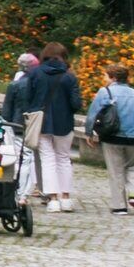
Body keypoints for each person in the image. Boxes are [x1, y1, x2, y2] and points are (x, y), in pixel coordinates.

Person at [88, 63, 134, 213]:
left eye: (106, 76)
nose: (104, 79)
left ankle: (119, 206)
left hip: (112, 136)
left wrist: (89, 133)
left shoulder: (104, 92)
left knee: (116, 170)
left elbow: (93, 114)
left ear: (113, 78)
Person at [32, 47, 84, 211]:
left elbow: (28, 99)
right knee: (63, 159)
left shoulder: (36, 73)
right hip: (64, 122)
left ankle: (53, 199)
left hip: (42, 122)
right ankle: (66, 198)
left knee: (47, 160)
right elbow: (76, 104)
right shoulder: (69, 77)